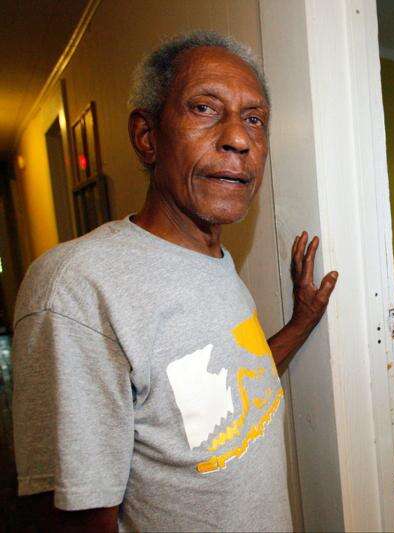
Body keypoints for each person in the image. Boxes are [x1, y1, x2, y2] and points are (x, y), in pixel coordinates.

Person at [11, 31, 338, 531]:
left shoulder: (216, 259)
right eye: (205, 108)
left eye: (254, 119)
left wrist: (302, 322)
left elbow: (229, 390)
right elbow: (73, 517)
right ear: (147, 136)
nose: (239, 138)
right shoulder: (77, 286)